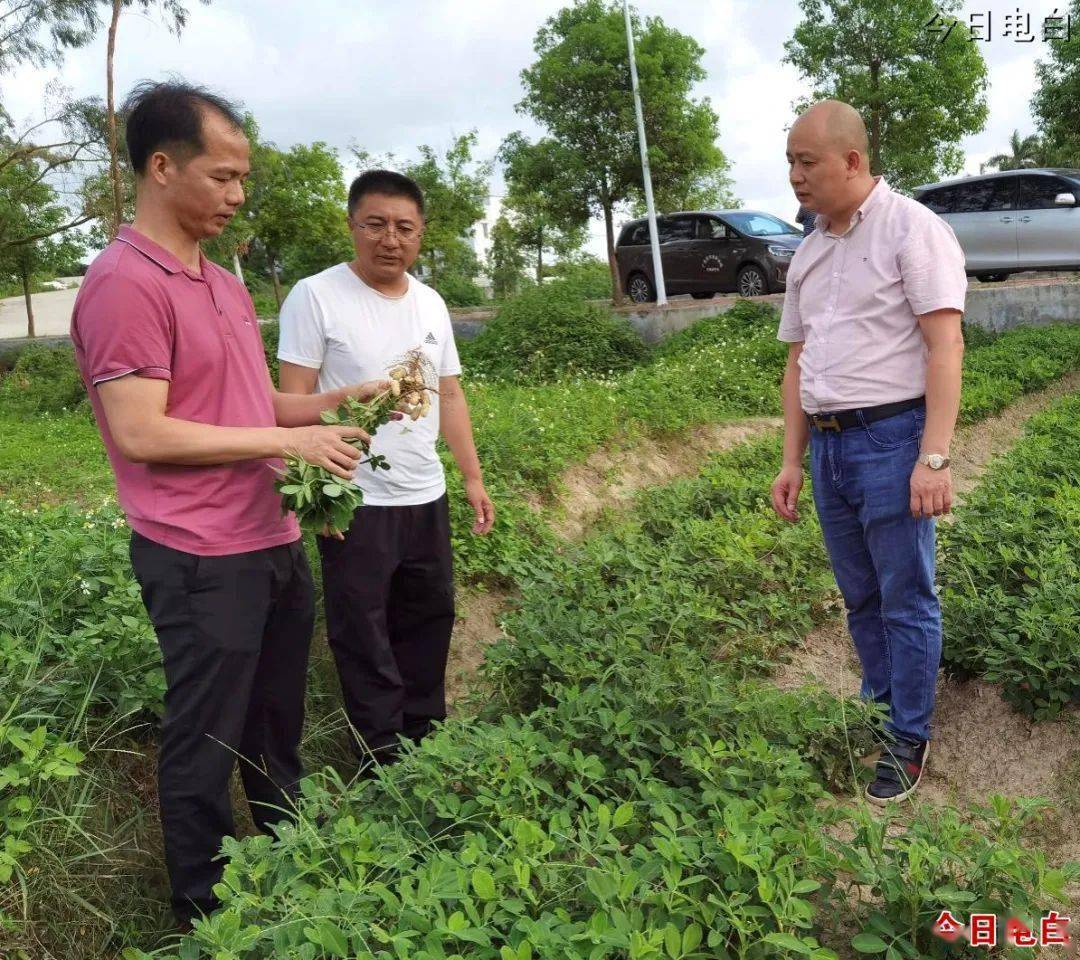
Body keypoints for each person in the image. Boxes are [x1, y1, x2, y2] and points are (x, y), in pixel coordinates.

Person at [70, 80, 389, 927]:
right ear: (162, 167)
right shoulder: (124, 284)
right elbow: (141, 431)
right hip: (200, 554)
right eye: (222, 176)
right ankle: (206, 915)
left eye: (243, 177)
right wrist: (290, 446)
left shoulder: (220, 280)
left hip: (270, 537)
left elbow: (248, 405)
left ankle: (286, 867)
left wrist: (335, 403)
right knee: (206, 735)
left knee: (276, 721)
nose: (239, 195)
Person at [770, 99, 967, 804]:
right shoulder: (811, 251)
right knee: (860, 596)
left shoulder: (914, 229)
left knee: (906, 596)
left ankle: (908, 738)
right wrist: (792, 460)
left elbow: (945, 344)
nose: (795, 175)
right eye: (790, 161)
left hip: (892, 441)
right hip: (828, 449)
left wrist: (934, 456)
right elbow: (797, 363)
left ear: (852, 161)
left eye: (806, 161)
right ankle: (879, 709)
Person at [277, 169, 495, 772]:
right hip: (353, 500)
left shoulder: (430, 302)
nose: (389, 239)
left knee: (429, 619)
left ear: (421, 234)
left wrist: (471, 477)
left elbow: (449, 395)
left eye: (404, 227)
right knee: (363, 635)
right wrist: (318, 497)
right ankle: (381, 764)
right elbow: (286, 406)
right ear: (352, 227)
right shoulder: (315, 295)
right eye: (375, 224)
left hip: (425, 493)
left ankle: (428, 747)